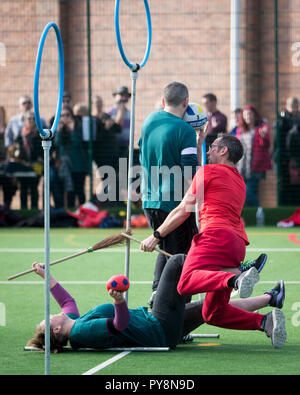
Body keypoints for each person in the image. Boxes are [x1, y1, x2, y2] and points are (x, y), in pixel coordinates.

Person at [140, 134, 286, 348]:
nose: (208, 152)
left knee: (186, 282)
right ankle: (265, 321)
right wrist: (199, 142)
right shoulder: (238, 180)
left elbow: (183, 210)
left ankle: (236, 277)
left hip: (214, 237)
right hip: (236, 245)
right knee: (213, 313)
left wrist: (156, 235)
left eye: (213, 147)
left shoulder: (207, 172)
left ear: (224, 150)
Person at [28, 253, 285, 352]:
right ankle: (235, 274)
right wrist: (119, 301)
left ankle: (269, 302)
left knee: (209, 310)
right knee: (174, 263)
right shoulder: (83, 331)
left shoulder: (75, 321)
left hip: (160, 329)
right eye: (48, 319)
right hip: (158, 327)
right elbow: (119, 324)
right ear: (56, 330)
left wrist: (44, 274)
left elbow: (66, 300)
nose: (52, 314)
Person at [138, 82, 202, 306]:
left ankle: (157, 292)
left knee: (166, 248)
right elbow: (190, 172)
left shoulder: (148, 121)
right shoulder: (184, 130)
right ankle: (175, 313)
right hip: (175, 203)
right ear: (186, 102)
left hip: (150, 199)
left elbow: (141, 153)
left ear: (163, 101)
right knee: (182, 258)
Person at [235, 105, 272, 207]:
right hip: (241, 167)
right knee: (242, 194)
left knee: (249, 193)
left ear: (254, 115)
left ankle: (259, 213)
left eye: (250, 114)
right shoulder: (240, 130)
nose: (248, 116)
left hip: (255, 167)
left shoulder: (261, 128)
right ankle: (249, 217)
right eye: (246, 114)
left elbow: (267, 144)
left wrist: (264, 136)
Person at [54, 106, 88, 208]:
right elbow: (57, 143)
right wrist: (59, 131)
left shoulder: (79, 127)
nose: (65, 117)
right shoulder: (60, 129)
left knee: (80, 190)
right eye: (63, 115)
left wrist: (73, 130)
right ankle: (70, 211)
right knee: (69, 191)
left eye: (67, 115)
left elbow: (77, 143)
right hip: (66, 166)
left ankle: (83, 211)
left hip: (78, 166)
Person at [107, 86, 131, 160]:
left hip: (125, 147)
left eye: (125, 96)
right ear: (115, 96)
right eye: (121, 95)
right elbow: (114, 128)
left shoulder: (129, 113)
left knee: (123, 169)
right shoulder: (110, 112)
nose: (123, 98)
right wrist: (121, 113)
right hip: (113, 148)